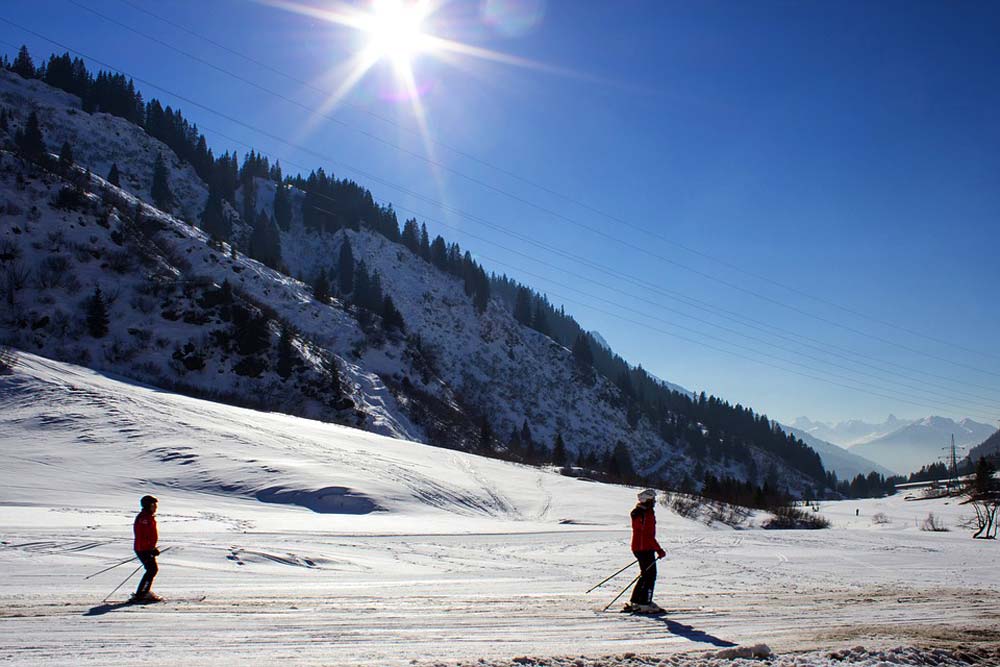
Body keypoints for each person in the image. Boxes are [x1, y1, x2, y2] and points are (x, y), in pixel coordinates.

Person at [624, 488, 666, 614]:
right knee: (650, 575)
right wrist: (658, 549)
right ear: (647, 500)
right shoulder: (646, 513)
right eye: (652, 499)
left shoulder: (640, 512)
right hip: (645, 548)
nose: (654, 502)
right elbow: (647, 534)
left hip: (639, 547)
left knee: (645, 574)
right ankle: (644, 603)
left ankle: (637, 601)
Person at [131, 495, 162, 603]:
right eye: (153, 505)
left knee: (151, 569)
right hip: (143, 548)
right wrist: (150, 549)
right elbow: (142, 535)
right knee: (151, 569)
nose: (155, 507)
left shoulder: (147, 517)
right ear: (148, 505)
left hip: (145, 548)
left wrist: (152, 548)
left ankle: (143, 593)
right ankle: (142, 594)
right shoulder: (144, 518)